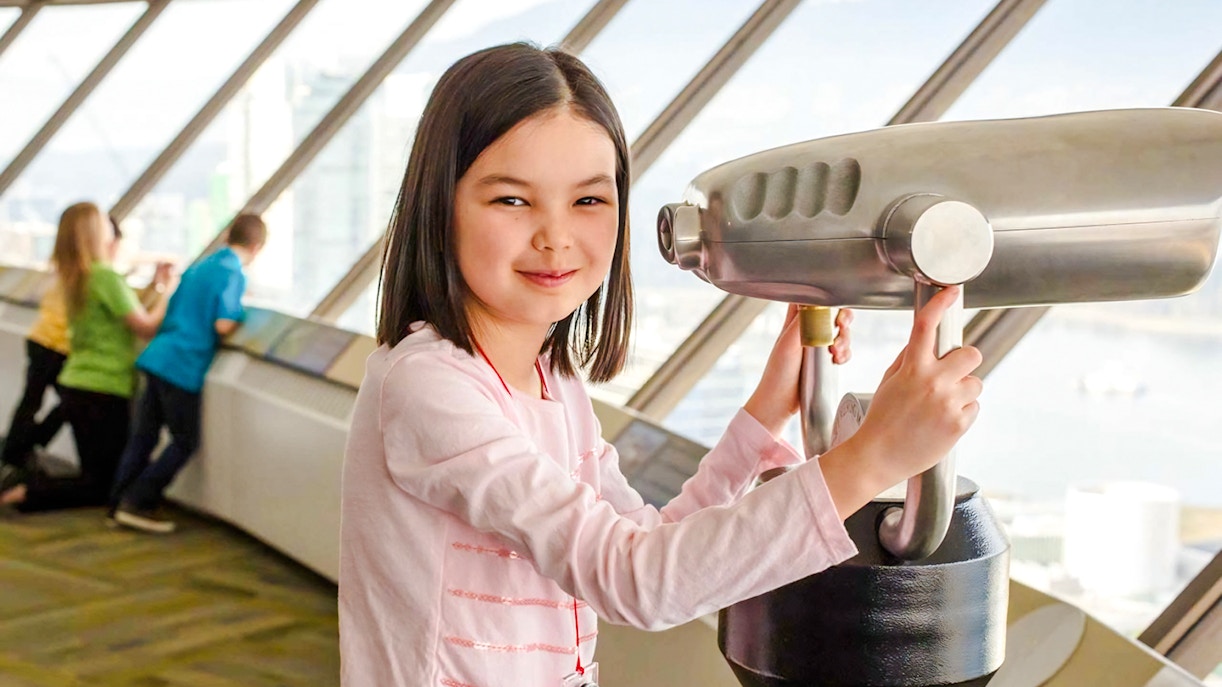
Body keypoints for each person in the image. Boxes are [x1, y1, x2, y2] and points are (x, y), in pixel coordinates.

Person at [338, 43, 982, 686]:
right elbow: (637, 581)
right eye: (512, 200)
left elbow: (649, 542)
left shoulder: (553, 381)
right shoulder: (428, 386)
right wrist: (874, 457)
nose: (556, 237)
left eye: (588, 201)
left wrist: (765, 413)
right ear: (438, 205)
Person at [0, 202, 173, 511]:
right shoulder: (106, 277)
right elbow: (145, 327)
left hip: (82, 382)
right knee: (101, 484)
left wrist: (155, 287)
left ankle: (22, 484)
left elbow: (122, 310)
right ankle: (24, 492)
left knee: (98, 475)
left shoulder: (79, 276)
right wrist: (171, 292)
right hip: (103, 386)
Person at [109, 214, 265, 534]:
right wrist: (242, 315)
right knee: (184, 440)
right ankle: (138, 500)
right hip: (183, 365)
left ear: (228, 236)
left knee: (144, 435)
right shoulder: (233, 273)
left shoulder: (201, 266)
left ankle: (117, 501)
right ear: (257, 247)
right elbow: (223, 324)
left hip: (158, 355)